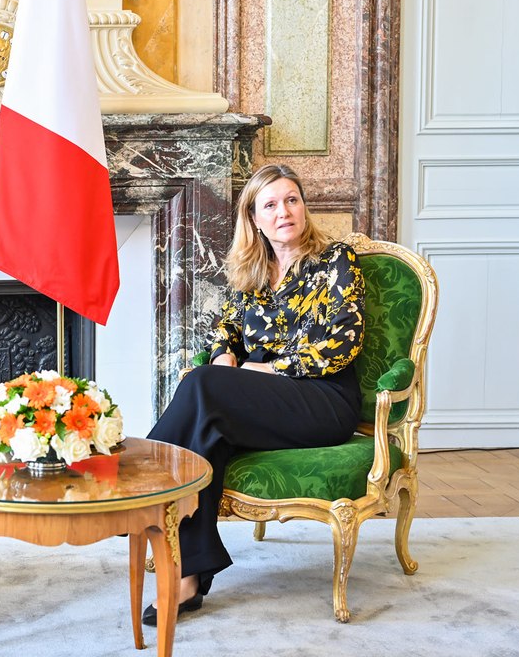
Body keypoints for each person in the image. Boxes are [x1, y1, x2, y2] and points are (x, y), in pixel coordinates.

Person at [143, 165, 365, 625]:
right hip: (265, 400)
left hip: (323, 399)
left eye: (291, 200)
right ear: (255, 219)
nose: (284, 211)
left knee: (200, 385)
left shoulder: (336, 260)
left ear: (303, 206)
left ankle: (143, 469)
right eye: (271, 204)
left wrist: (266, 367)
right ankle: (189, 575)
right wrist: (225, 356)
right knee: (207, 431)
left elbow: (342, 343)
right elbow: (225, 327)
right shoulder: (252, 271)